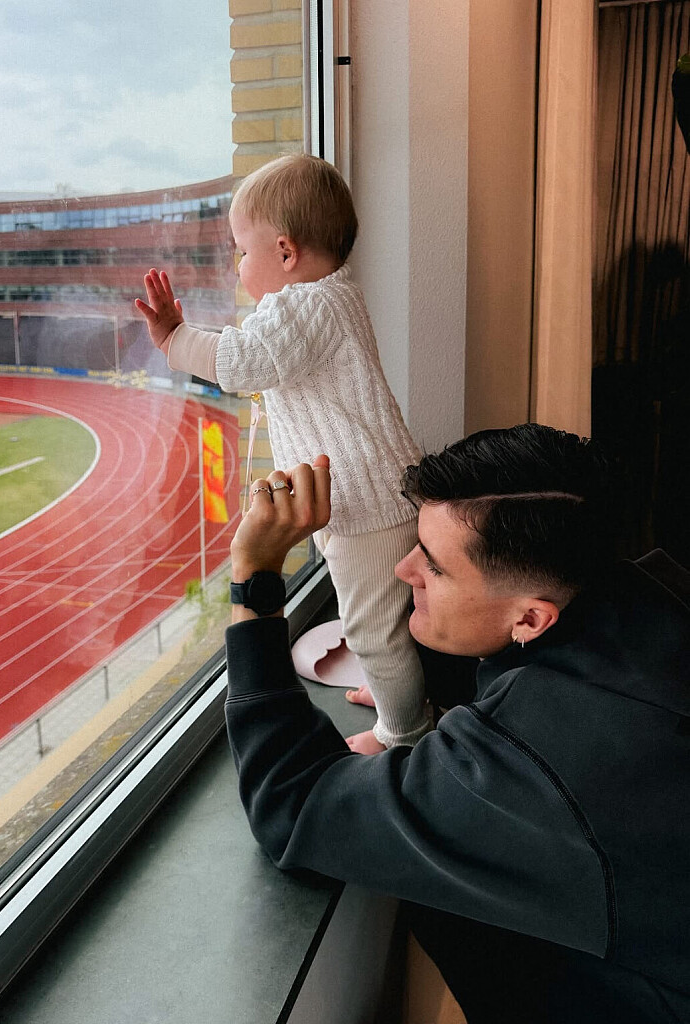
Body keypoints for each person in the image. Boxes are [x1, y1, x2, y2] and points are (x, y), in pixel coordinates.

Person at [223, 424, 690, 1024]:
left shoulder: (536, 761)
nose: (403, 569)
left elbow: (291, 805)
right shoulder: (653, 591)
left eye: (436, 567)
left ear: (530, 618)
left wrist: (256, 578)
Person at [135, 153, 428, 753]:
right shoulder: (336, 295)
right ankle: (395, 690)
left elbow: (244, 361)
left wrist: (174, 340)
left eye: (243, 251)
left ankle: (404, 732)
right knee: (378, 617)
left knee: (374, 632)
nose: (238, 265)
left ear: (286, 252)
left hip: (367, 507)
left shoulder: (305, 305)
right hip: (369, 494)